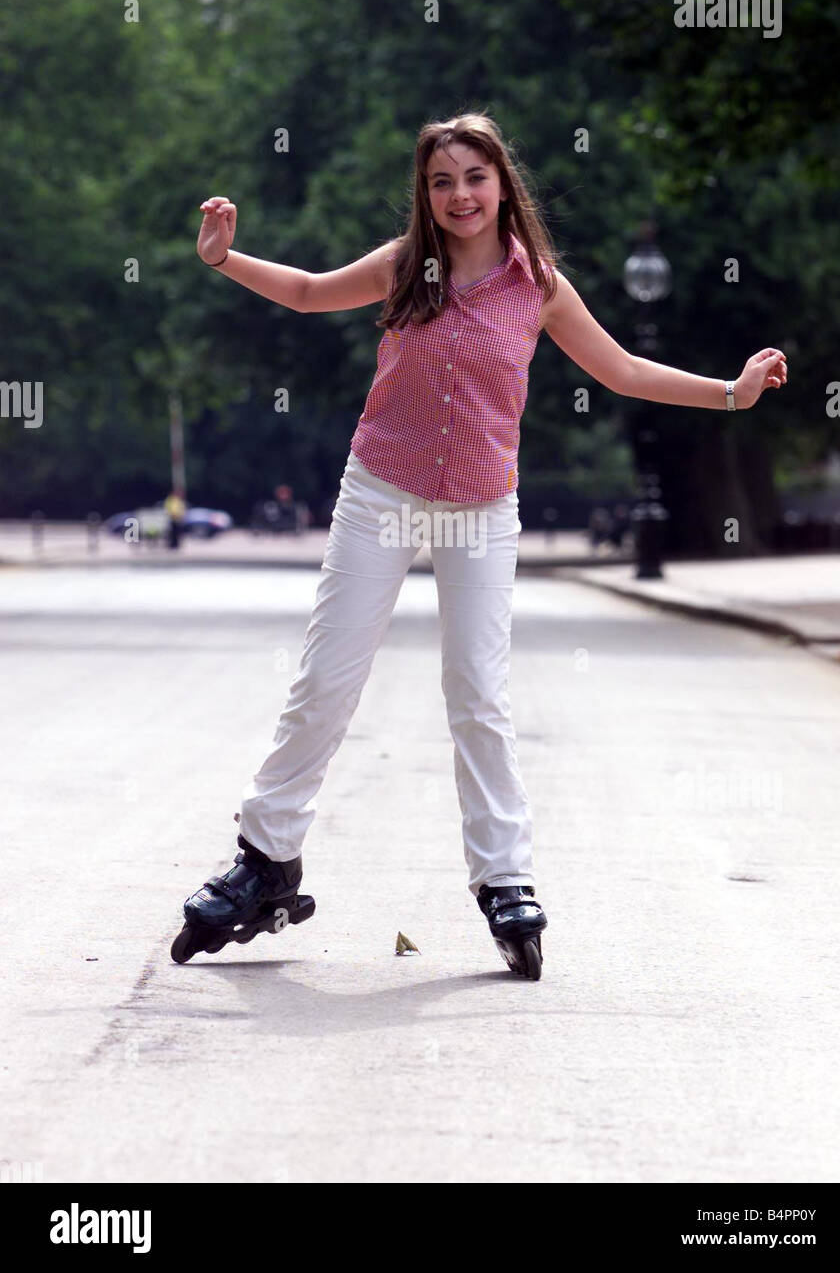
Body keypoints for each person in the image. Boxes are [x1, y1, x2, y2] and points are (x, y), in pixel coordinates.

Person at [171, 110, 788, 978]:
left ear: (503, 184)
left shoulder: (537, 285)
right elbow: (310, 292)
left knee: (478, 694)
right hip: (380, 491)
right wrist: (223, 257)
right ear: (426, 194)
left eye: (474, 177)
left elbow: (624, 372)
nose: (459, 195)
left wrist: (733, 392)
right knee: (326, 680)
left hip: (480, 508)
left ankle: (504, 878)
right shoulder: (402, 269)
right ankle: (265, 859)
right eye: (441, 181)